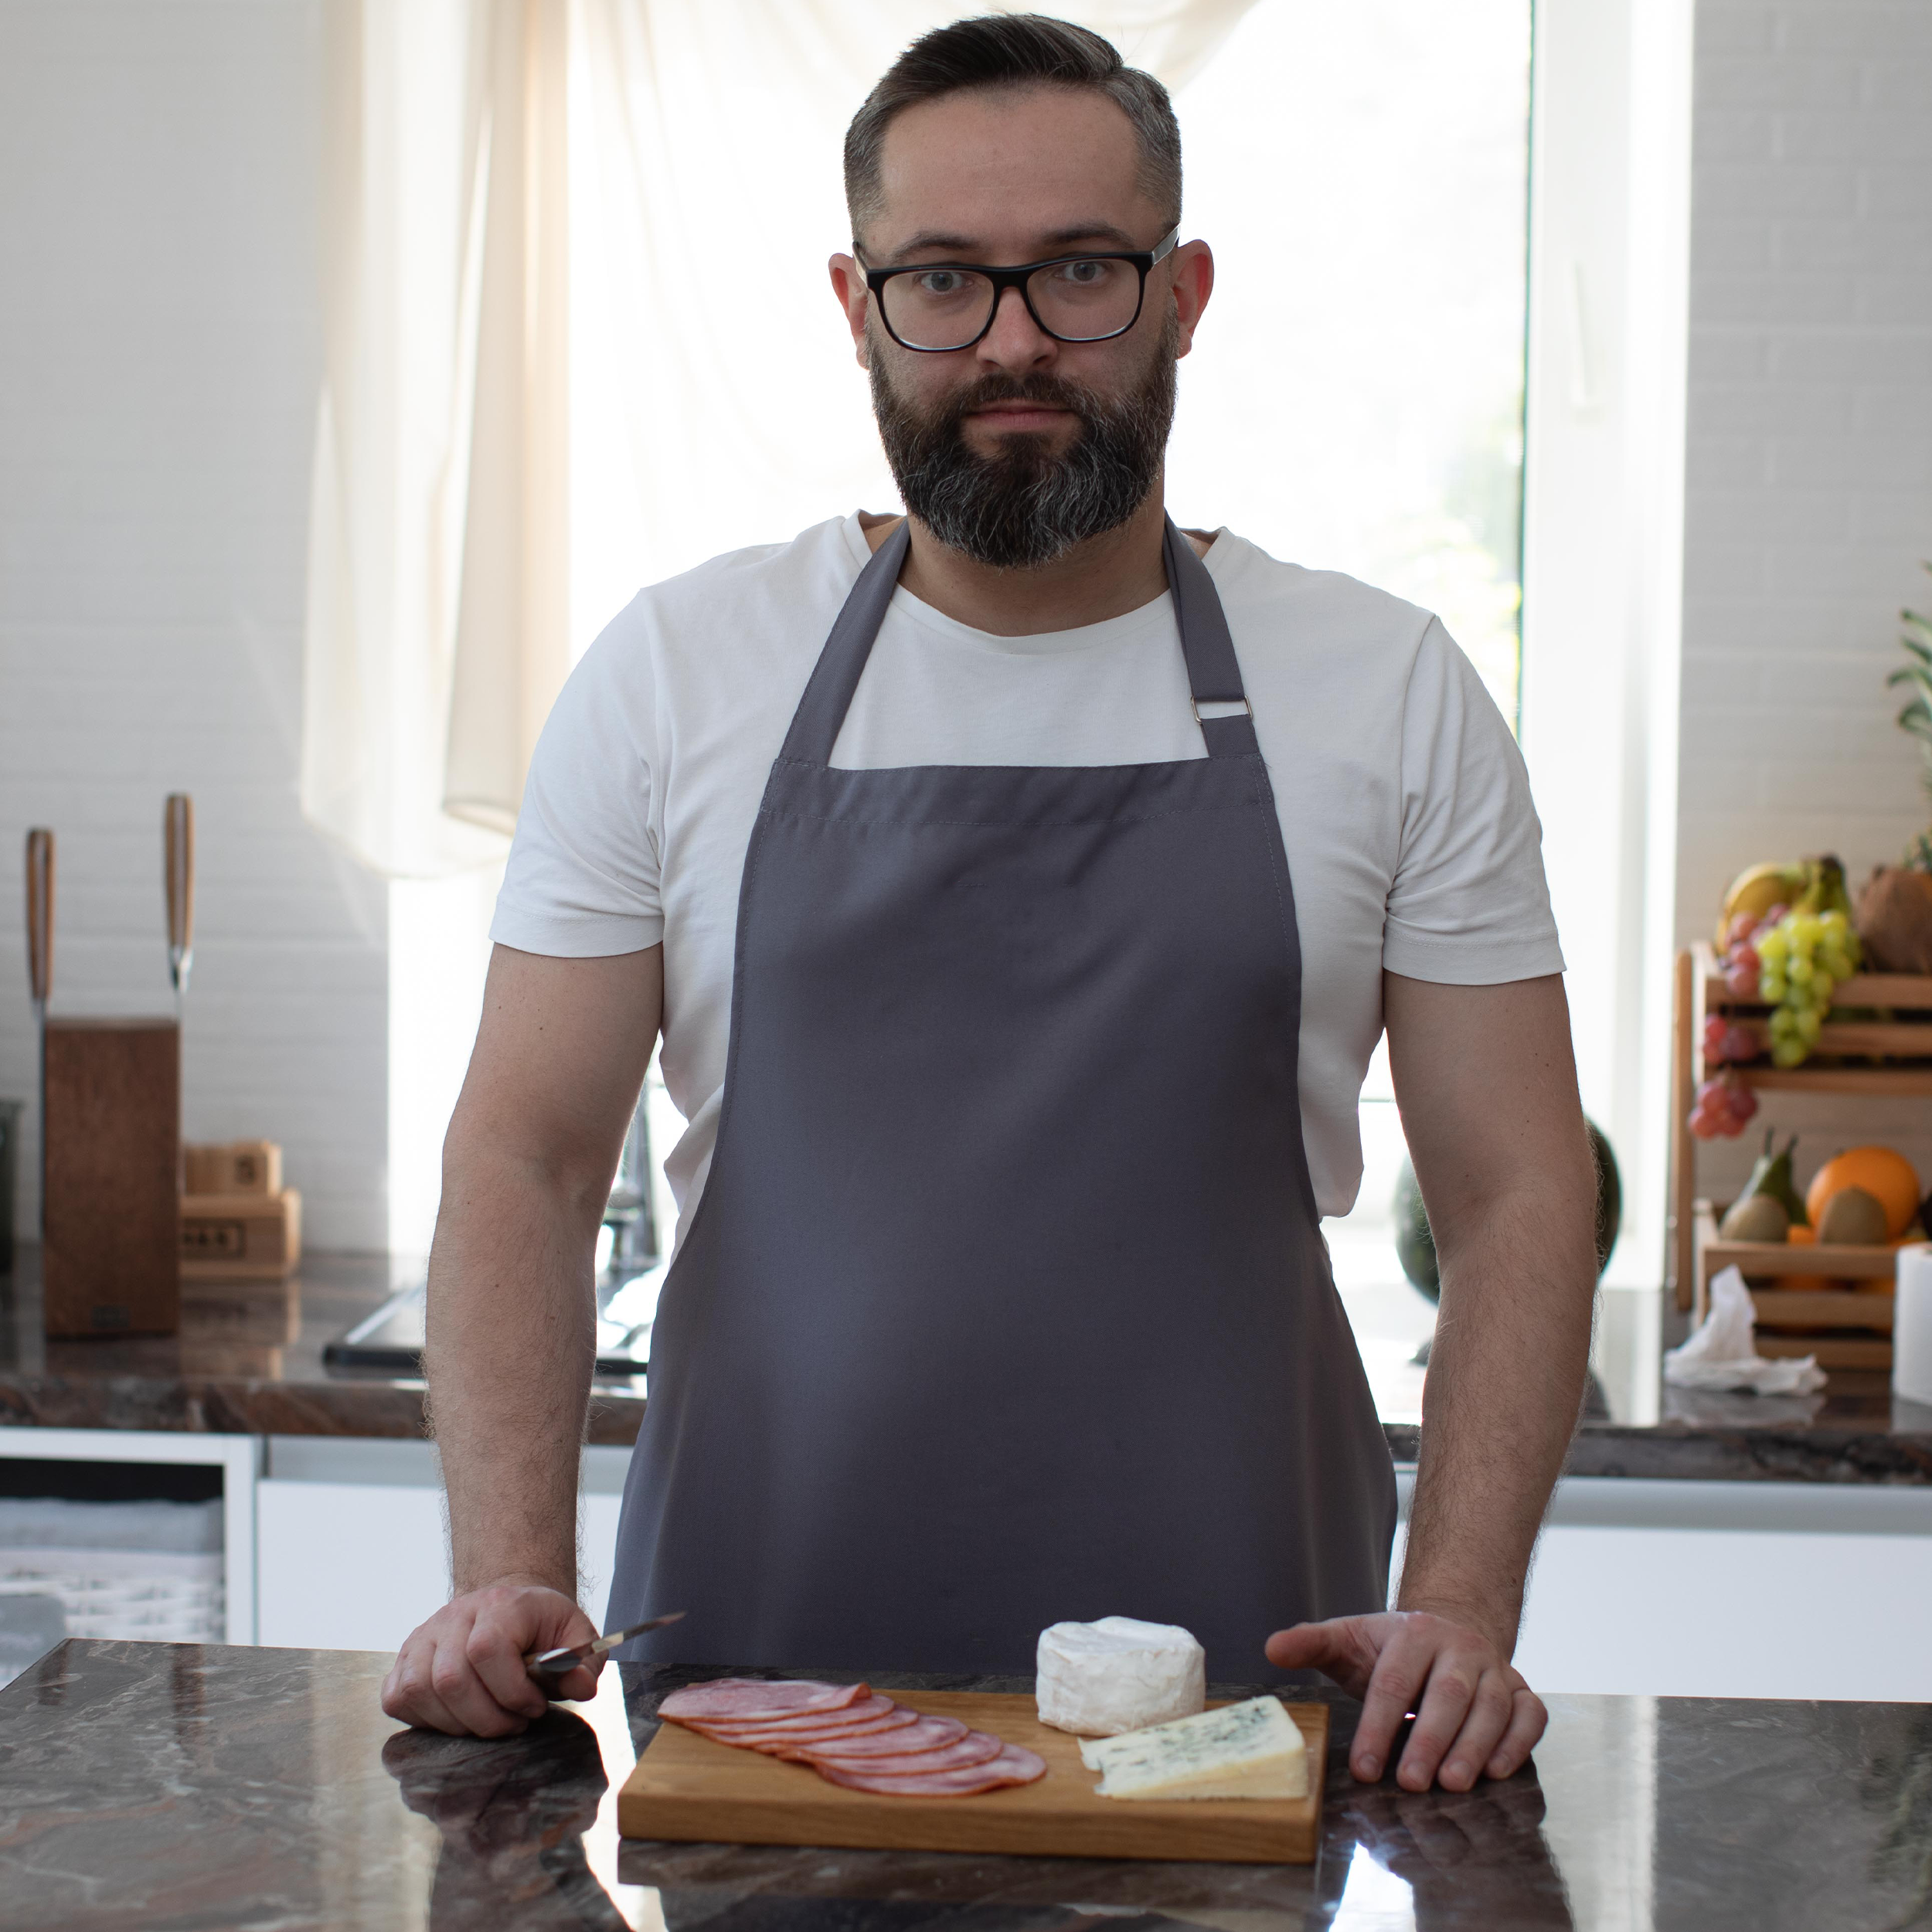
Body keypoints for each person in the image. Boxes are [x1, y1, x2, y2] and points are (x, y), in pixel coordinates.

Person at [382, 14, 1597, 1798]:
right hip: (756, 1669)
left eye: (1078, 273)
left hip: (1240, 1693)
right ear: (855, 301)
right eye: (943, 277)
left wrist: (1461, 1612)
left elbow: (1515, 1186)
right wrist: (505, 1569)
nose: (1013, 338)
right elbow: (526, 1154)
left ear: (1182, 290)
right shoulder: (675, 673)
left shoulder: (1384, 689)